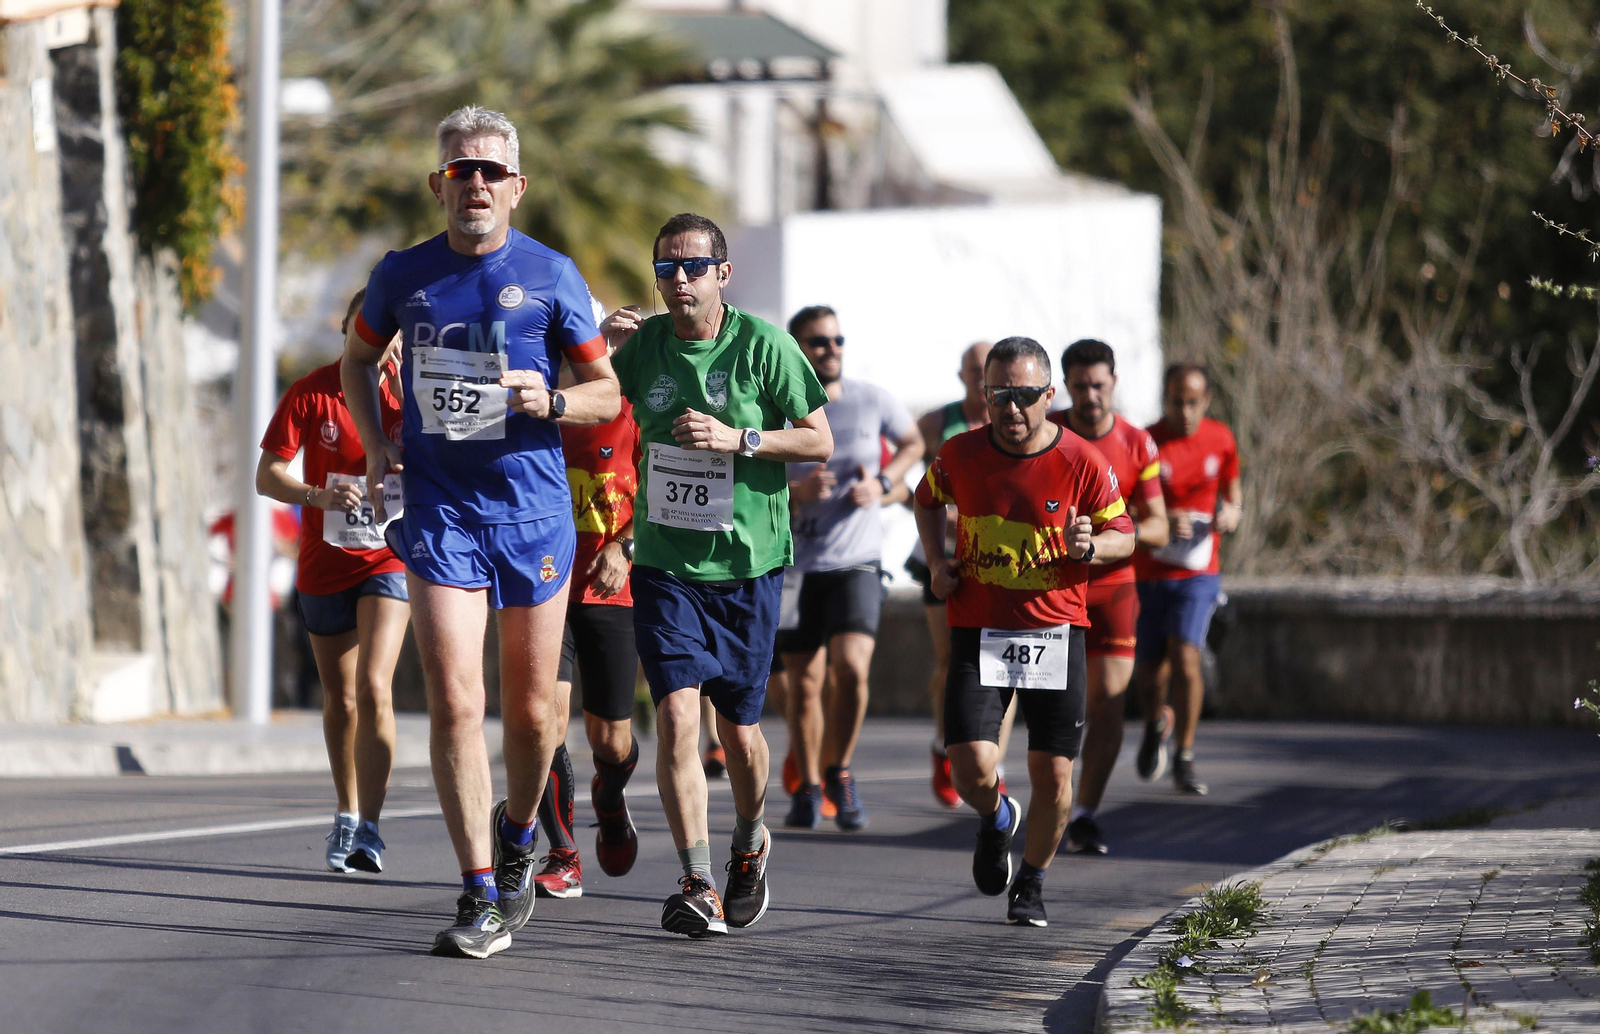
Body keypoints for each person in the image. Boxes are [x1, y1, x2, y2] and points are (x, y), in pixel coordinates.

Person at [341, 105, 621, 959]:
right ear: (439, 183)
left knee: (532, 716)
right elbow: (358, 358)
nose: (475, 183)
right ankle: (478, 894)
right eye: (461, 169)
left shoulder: (550, 274)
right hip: (440, 509)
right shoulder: (403, 274)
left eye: (491, 171)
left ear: (516, 186)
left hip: (533, 513)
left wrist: (555, 399)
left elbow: (606, 392)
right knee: (458, 702)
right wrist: (377, 444)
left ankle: (519, 832)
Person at [601, 212, 832, 938]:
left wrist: (739, 438)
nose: (678, 280)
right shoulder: (645, 349)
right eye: (665, 268)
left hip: (747, 566)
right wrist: (597, 351)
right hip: (665, 563)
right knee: (676, 715)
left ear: (722, 274)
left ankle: (751, 836)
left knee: (739, 735)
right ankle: (696, 880)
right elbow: (590, 404)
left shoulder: (764, 346)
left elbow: (818, 441)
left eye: (693, 266)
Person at [912, 336, 1134, 927]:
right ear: (983, 394)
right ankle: (997, 817)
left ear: (1049, 395)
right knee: (968, 767)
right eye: (999, 395)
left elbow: (1126, 534)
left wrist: (1094, 544)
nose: (1012, 408)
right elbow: (925, 500)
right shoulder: (959, 453)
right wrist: (936, 562)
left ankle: (1031, 881)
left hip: (1055, 633)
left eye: (1026, 395)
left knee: (1054, 775)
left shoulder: (1083, 460)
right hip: (979, 627)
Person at [257, 291, 411, 874]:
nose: (380, 342)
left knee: (374, 685)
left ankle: (370, 827)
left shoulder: (411, 396)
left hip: (388, 558)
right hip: (325, 563)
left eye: (391, 334)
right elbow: (267, 475)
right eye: (367, 330)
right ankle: (346, 812)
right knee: (341, 698)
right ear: (348, 331)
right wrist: (316, 495)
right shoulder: (312, 391)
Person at [780, 305, 923, 831]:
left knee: (853, 670)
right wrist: (796, 492)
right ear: (797, 349)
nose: (831, 349)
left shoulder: (871, 399)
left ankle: (839, 770)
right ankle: (808, 785)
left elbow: (914, 442)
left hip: (858, 560)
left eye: (837, 340)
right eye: (819, 342)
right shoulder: (777, 406)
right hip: (796, 565)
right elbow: (746, 475)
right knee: (804, 685)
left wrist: (882, 484)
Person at [530, 329, 644, 900]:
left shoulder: (633, 413)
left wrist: (625, 547)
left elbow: (665, 497)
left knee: (610, 741)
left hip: (610, 592)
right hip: (546, 587)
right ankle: (564, 854)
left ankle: (611, 798)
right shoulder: (535, 413)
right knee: (544, 721)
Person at [1046, 339, 1168, 855]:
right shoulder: (1047, 432)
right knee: (1057, 707)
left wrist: (1117, 529)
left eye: (1098, 385)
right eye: (1079, 386)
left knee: (1109, 704)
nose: (1090, 396)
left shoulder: (1138, 443)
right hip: (1054, 586)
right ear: (1065, 388)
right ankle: (1040, 801)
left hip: (1114, 588)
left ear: (1113, 382)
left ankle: (1086, 814)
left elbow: (1159, 527)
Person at [906, 343, 1016, 808]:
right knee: (951, 660)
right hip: (947, 558)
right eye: (974, 371)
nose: (981, 380)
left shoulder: (1014, 422)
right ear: (963, 375)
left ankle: (994, 765)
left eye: (987, 373)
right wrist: (941, 514)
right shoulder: (937, 422)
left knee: (1005, 663)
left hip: (998, 557)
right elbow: (911, 485)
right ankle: (943, 744)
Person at [1131, 364, 1241, 796]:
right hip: (1151, 569)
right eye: (1177, 402)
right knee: (1149, 671)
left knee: (1186, 658)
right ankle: (1154, 722)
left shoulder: (1221, 438)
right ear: (1166, 399)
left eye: (1193, 402)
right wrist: (1164, 517)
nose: (1185, 411)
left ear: (1207, 400)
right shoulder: (1145, 441)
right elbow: (1124, 505)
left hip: (1199, 569)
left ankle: (1185, 755)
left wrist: (1231, 514)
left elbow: (1234, 494)